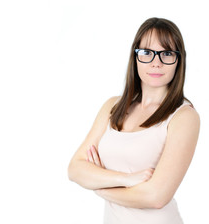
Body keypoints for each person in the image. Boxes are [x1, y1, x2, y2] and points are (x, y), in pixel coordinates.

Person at [68, 17, 200, 224]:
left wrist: (99, 186)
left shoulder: (184, 117)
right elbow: (75, 169)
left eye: (167, 53)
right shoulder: (113, 107)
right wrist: (126, 179)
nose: (156, 62)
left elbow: (156, 197)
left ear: (179, 60)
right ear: (135, 57)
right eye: (147, 52)